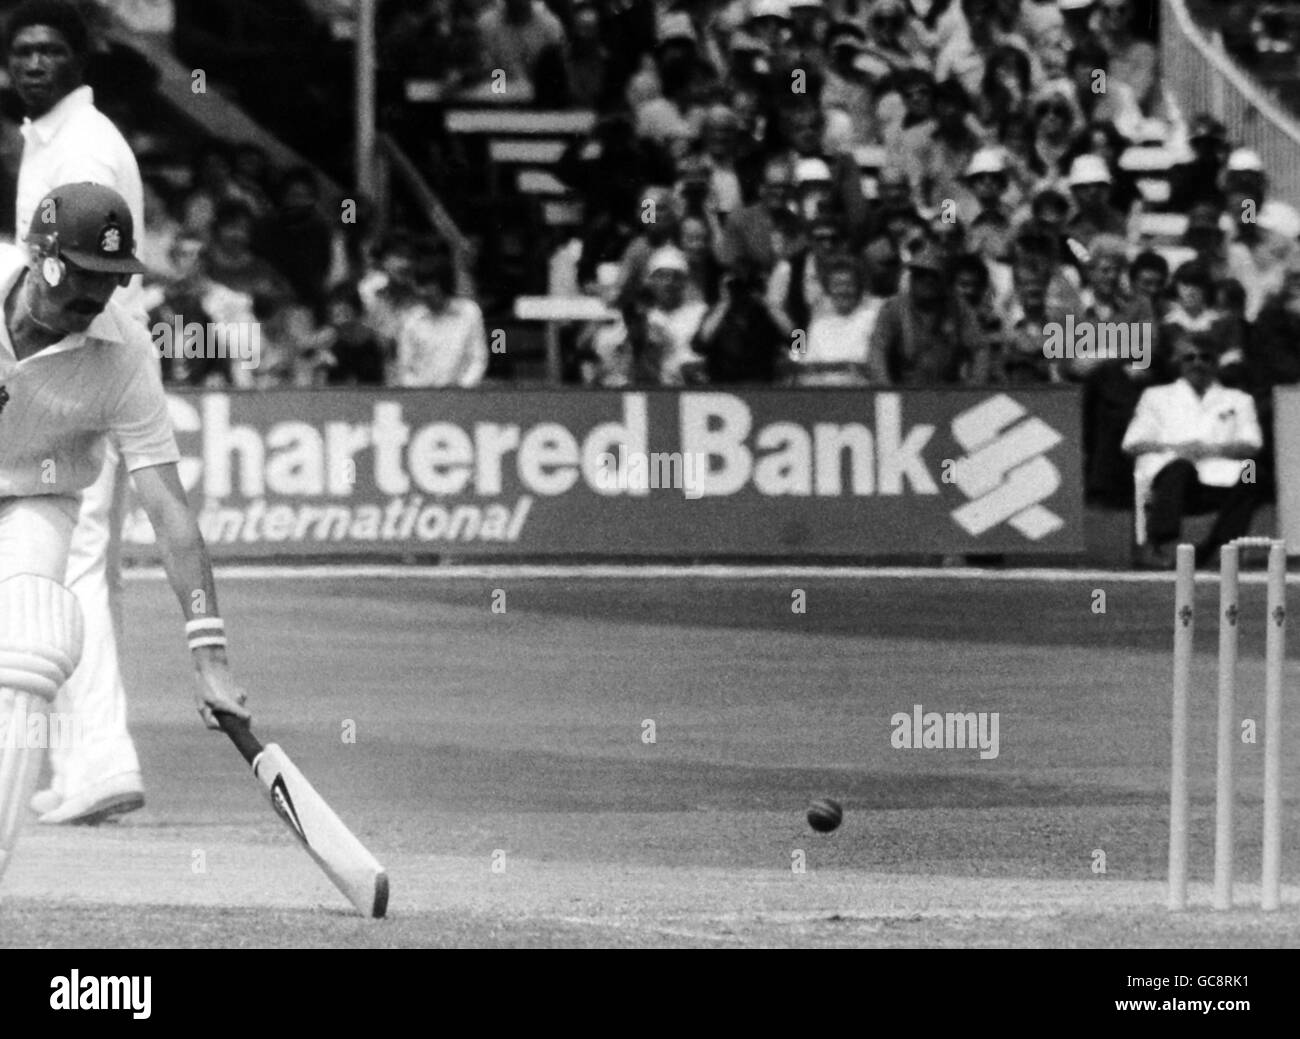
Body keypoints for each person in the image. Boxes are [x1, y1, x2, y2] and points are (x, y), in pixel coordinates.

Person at [0, 182, 250, 875]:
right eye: (82, 274)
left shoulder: (126, 354)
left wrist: (209, 656)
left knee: (31, 639)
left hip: (34, 498)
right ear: (40, 255)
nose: (97, 296)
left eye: (113, 280)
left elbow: (170, 509)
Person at [6, 0, 149, 824]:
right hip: (66, 374)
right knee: (71, 569)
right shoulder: (48, 141)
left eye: (51, 50)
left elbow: (88, 276)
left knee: (72, 568)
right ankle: (83, 757)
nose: (33, 64)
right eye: (20, 51)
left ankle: (97, 758)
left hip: (88, 372)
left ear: (79, 60)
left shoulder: (86, 144)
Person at [1122, 333, 1263, 569]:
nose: (1197, 363)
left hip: (1220, 477)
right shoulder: (1156, 397)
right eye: (1190, 357)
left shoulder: (1238, 400)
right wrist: (1176, 449)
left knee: (1253, 473)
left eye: (1205, 358)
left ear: (1215, 363)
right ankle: (1157, 544)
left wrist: (1212, 449)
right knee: (1180, 466)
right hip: (1169, 478)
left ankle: (1214, 547)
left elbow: (1252, 444)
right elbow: (1133, 443)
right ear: (1179, 362)